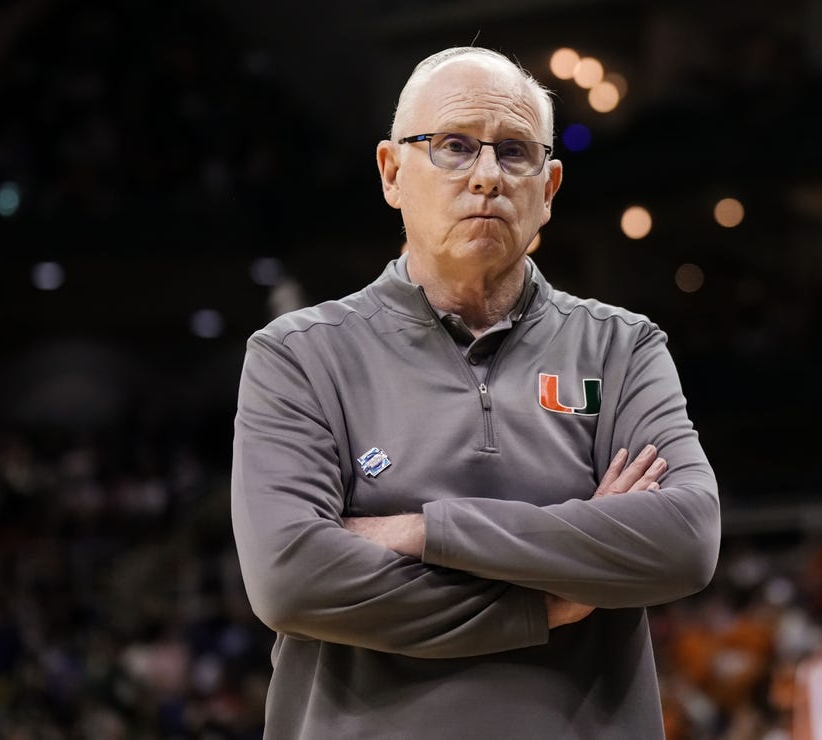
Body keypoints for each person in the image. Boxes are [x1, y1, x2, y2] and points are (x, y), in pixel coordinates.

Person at [231, 46, 720, 738]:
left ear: (548, 190)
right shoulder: (298, 356)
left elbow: (685, 540)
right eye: (454, 147)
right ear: (392, 172)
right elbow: (292, 579)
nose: (487, 177)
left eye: (515, 152)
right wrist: (547, 603)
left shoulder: (623, 348)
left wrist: (425, 531)